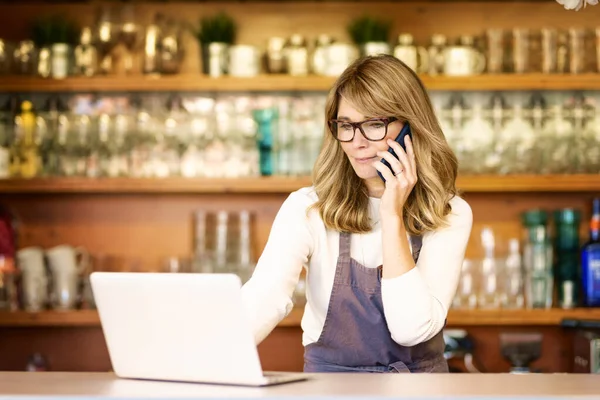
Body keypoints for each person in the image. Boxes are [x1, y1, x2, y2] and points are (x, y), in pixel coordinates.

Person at [241, 54, 473, 373]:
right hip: (330, 392)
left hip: (419, 392)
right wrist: (200, 361)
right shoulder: (307, 208)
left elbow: (411, 329)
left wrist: (392, 214)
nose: (358, 143)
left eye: (375, 124)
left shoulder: (450, 213)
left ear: (411, 126)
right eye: (346, 126)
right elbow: (264, 299)